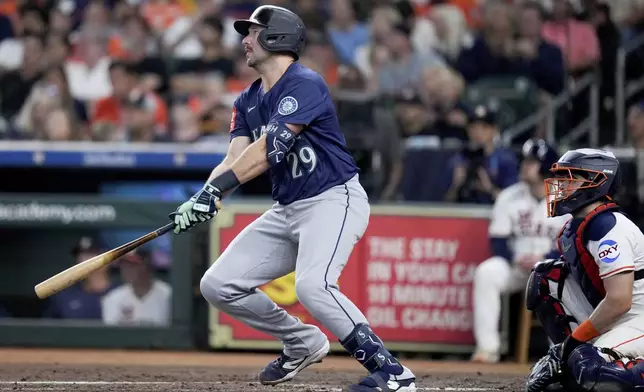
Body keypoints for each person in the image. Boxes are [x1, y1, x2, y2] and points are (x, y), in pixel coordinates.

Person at [168, 5, 417, 392]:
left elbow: (269, 149)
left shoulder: (305, 82)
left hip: (333, 198)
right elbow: (234, 159)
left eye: (252, 32)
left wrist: (216, 190)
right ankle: (301, 341)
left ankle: (393, 374)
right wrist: (203, 195)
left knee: (313, 285)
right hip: (287, 210)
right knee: (217, 285)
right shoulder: (246, 101)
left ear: (277, 36)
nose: (245, 40)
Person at [524, 148, 644, 392]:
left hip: (637, 317)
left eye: (571, 178)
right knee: (545, 278)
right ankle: (573, 362)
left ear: (596, 182)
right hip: (617, 316)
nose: (561, 184)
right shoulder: (575, 227)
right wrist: (567, 351)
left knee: (590, 372)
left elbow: (620, 301)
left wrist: (573, 343)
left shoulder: (610, 227)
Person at [471, 138, 568, 363]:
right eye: (525, 160)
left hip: (553, 267)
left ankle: (561, 352)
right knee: (487, 273)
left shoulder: (566, 199)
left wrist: (546, 258)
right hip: (517, 265)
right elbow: (498, 239)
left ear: (547, 167)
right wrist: (514, 257)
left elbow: (573, 242)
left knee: (566, 282)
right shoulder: (509, 195)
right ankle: (487, 349)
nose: (525, 165)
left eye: (532, 161)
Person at [42, 236, 115, 320]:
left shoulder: (122, 294)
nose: (83, 261)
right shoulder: (64, 297)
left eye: (90, 255)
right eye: (80, 256)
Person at [101, 248, 172, 327]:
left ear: (146, 265)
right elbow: (111, 336)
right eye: (124, 265)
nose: (127, 270)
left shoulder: (168, 296)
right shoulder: (113, 298)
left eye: (132, 265)